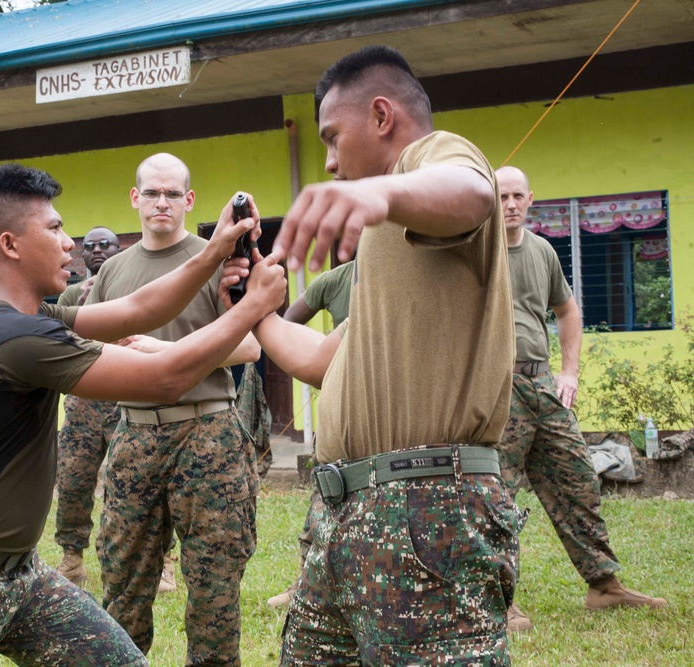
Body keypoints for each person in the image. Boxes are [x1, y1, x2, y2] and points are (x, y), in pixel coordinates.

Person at [0, 163, 286, 666]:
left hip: (19, 575)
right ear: (10, 245)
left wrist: (216, 250)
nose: (71, 243)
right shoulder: (14, 336)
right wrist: (251, 307)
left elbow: (135, 311)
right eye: (54, 228)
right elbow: (165, 378)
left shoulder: (32, 318)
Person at [245, 46, 524, 665]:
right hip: (344, 516)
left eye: (332, 137)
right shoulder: (383, 238)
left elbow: (471, 191)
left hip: (427, 511)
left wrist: (380, 195)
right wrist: (254, 311)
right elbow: (327, 362)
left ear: (380, 116)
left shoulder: (435, 158)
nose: (329, 159)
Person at [90, 153, 263, 666]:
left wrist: (160, 353)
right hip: (134, 435)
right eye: (151, 193)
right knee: (122, 585)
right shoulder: (113, 272)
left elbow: (250, 345)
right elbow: (92, 350)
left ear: (188, 200)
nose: (161, 202)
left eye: (172, 194)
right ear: (135, 198)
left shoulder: (218, 259)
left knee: (214, 587)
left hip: (207, 431)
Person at [495, 165, 666, 632]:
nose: (510, 204)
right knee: (496, 497)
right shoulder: (476, 251)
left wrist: (569, 371)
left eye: (517, 196)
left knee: (578, 479)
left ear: (531, 199)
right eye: (501, 195)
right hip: (496, 390)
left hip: (541, 385)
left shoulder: (543, 251)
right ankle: (498, 602)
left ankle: (604, 586)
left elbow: (567, 311)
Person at [266, 260, 353, 608]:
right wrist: (329, 353)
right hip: (341, 404)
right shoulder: (336, 280)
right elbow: (286, 325)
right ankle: (305, 583)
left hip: (397, 413)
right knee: (325, 497)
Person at [53, 226, 123, 588]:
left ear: (119, 249)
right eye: (89, 246)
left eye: (104, 244)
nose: (97, 250)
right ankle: (72, 559)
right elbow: (52, 339)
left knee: (133, 482)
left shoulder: (132, 287)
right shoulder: (67, 294)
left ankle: (164, 561)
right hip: (81, 399)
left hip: (126, 397)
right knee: (73, 480)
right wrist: (80, 306)